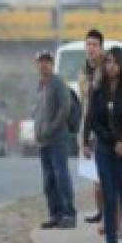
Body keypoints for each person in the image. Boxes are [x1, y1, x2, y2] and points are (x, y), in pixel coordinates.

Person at [86, 45, 122, 243]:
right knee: (109, 196)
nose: (110, 66)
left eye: (115, 62)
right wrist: (111, 141)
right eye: (107, 62)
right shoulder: (98, 90)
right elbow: (95, 121)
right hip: (105, 149)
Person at [33, 50, 75, 229]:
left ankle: (68, 214)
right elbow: (38, 111)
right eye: (41, 61)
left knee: (61, 176)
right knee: (49, 179)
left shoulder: (57, 82)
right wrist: (38, 130)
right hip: (44, 141)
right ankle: (55, 214)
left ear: (52, 64)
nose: (44, 65)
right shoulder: (41, 84)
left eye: (47, 61)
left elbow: (65, 108)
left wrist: (51, 128)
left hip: (57, 139)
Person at [79, 29, 106, 224]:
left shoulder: (107, 68)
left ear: (101, 47)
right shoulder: (84, 70)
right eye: (88, 44)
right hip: (89, 125)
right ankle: (101, 212)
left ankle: (111, 216)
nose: (91, 48)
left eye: (94, 45)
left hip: (106, 126)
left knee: (106, 179)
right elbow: (84, 99)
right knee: (95, 178)